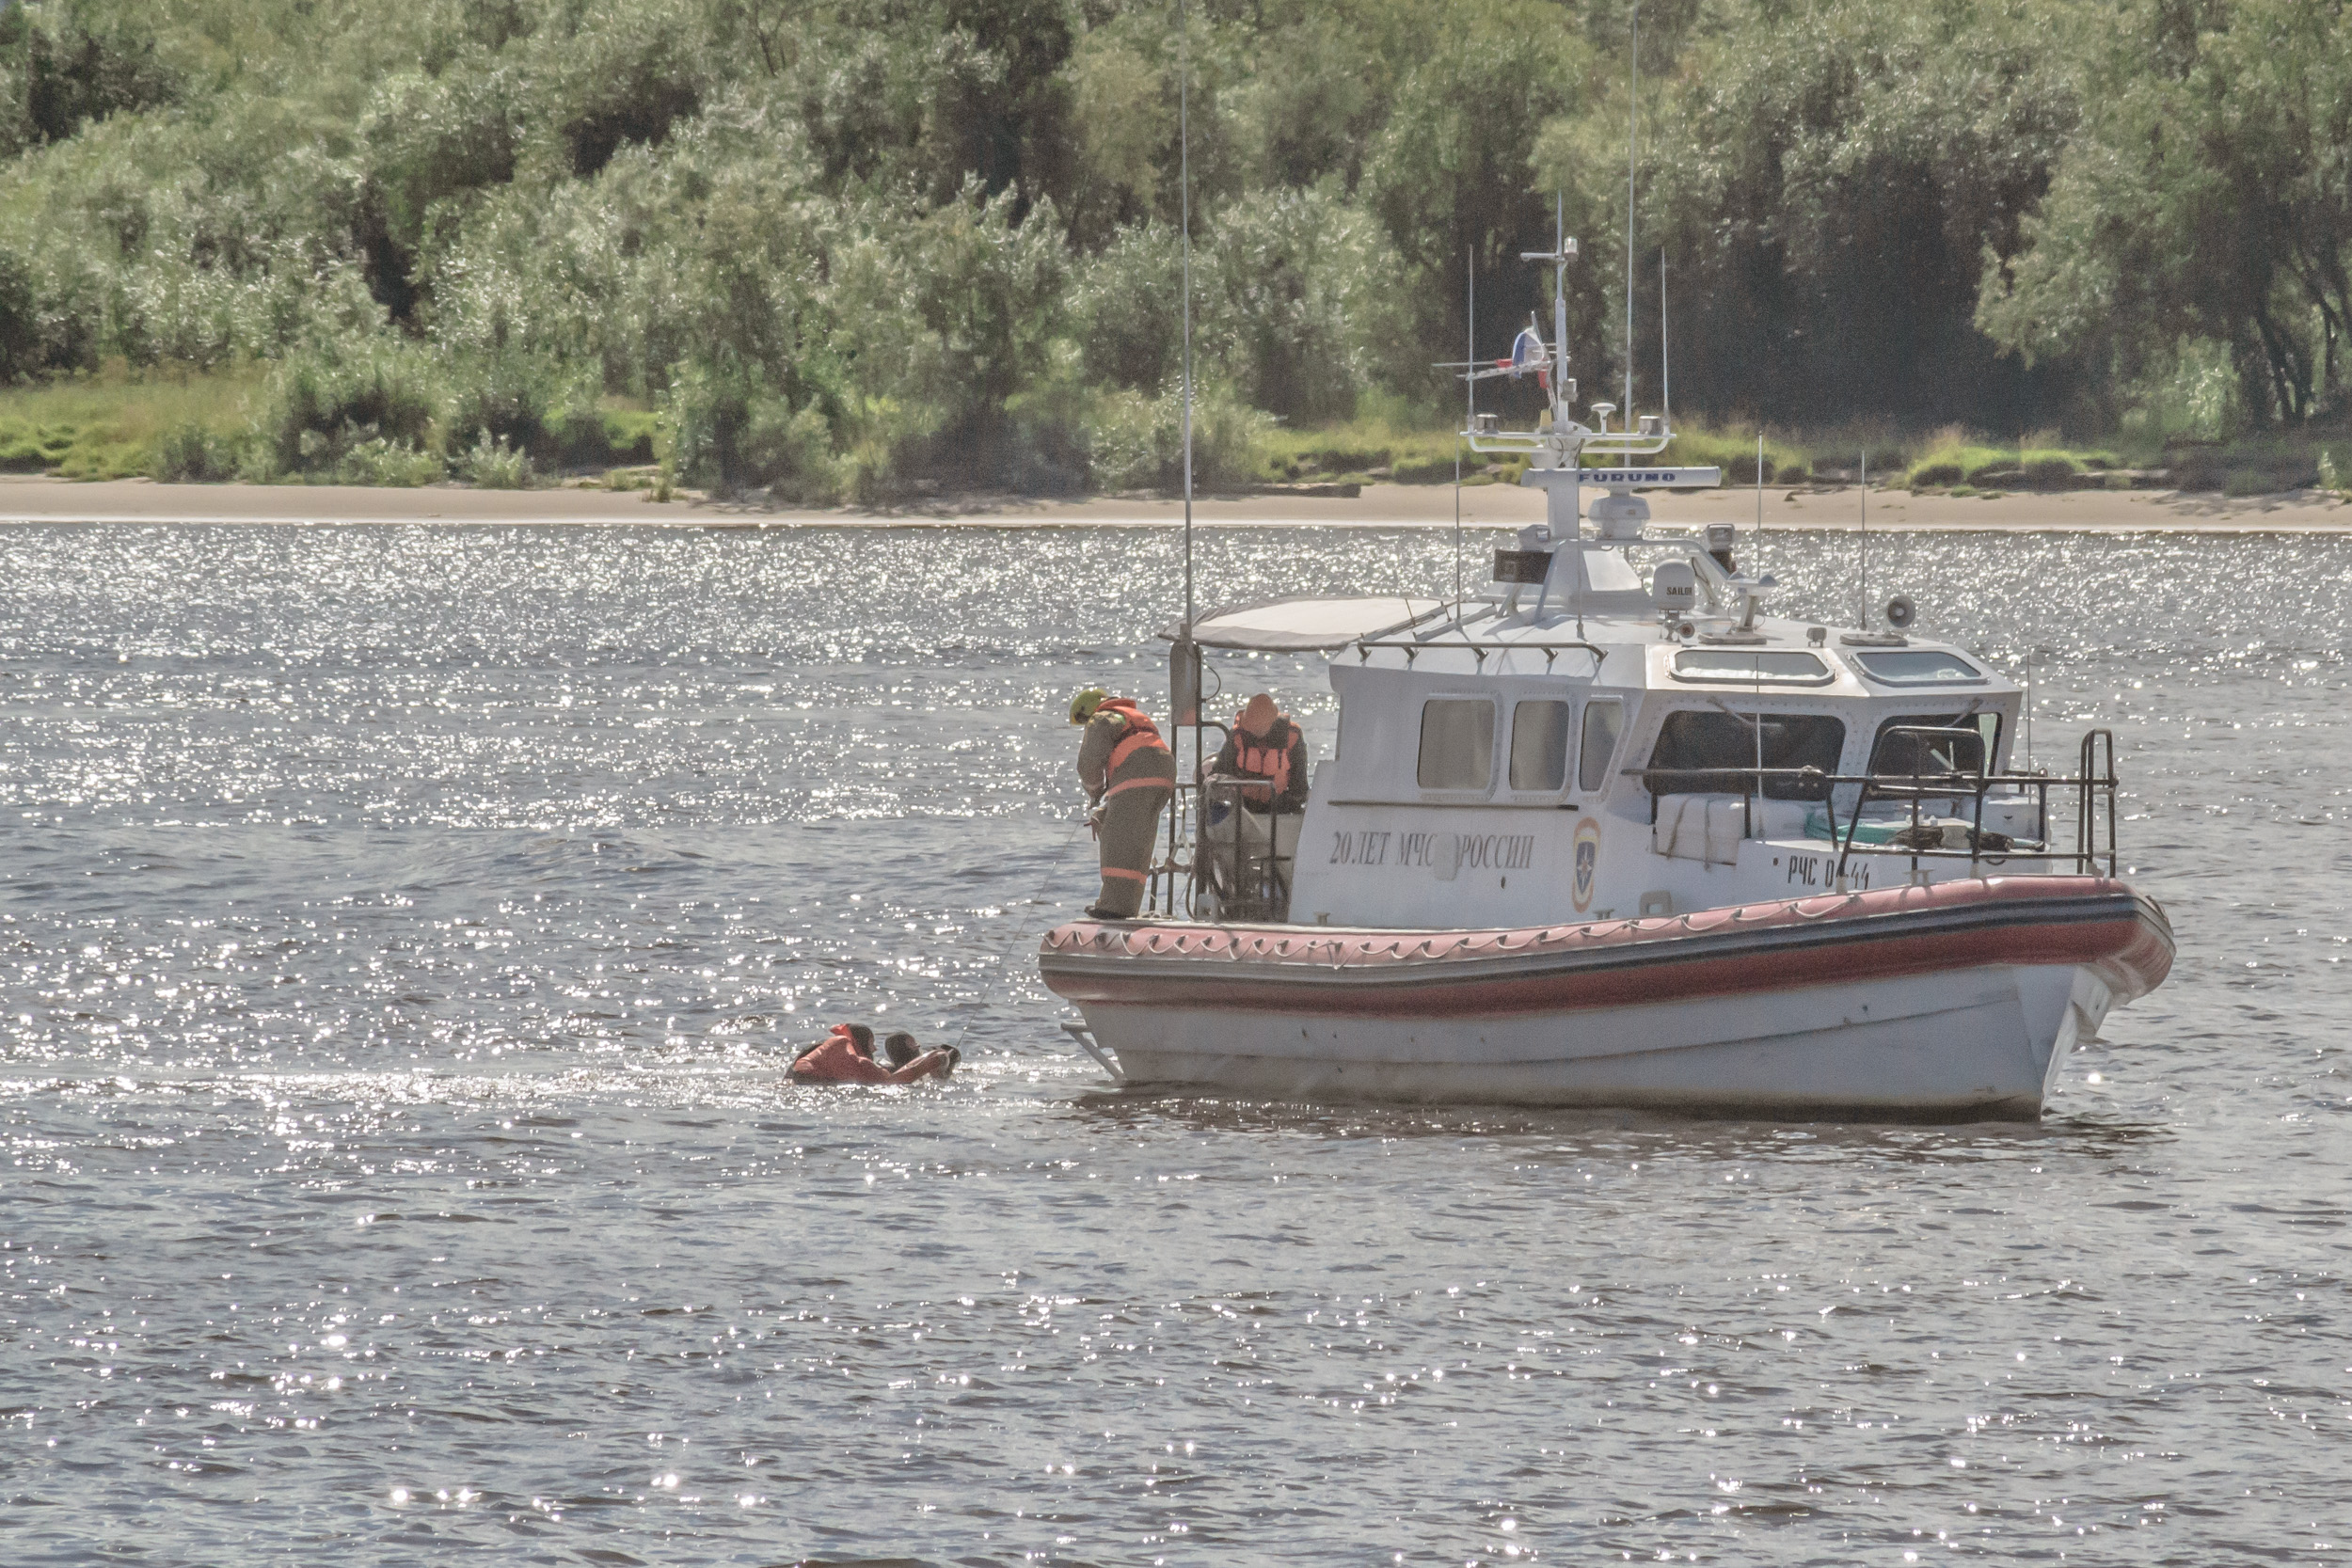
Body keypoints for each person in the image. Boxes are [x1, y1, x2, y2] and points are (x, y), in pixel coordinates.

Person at [1070, 687, 1177, 920]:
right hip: (1165, 773)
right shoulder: (1129, 719)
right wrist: (1105, 809)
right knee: (1137, 842)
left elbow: (1088, 763)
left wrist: (1094, 791)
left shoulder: (1101, 718)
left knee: (1117, 841)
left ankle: (1112, 908)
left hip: (1139, 773)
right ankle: (1126, 907)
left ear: (1088, 711)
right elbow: (1132, 786)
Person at [1203, 692, 1309, 911]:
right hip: (1244, 809)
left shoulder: (1293, 737)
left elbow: (1299, 784)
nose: (1256, 735)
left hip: (1281, 810)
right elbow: (1219, 773)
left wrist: (1288, 803)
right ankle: (1235, 892)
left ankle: (1282, 895)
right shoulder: (1237, 737)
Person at [790, 1022, 955, 1084]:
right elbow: (894, 1081)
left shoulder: (823, 1048)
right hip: (810, 1082)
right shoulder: (845, 1048)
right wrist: (938, 1057)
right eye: (871, 1043)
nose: (875, 1049)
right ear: (859, 1042)